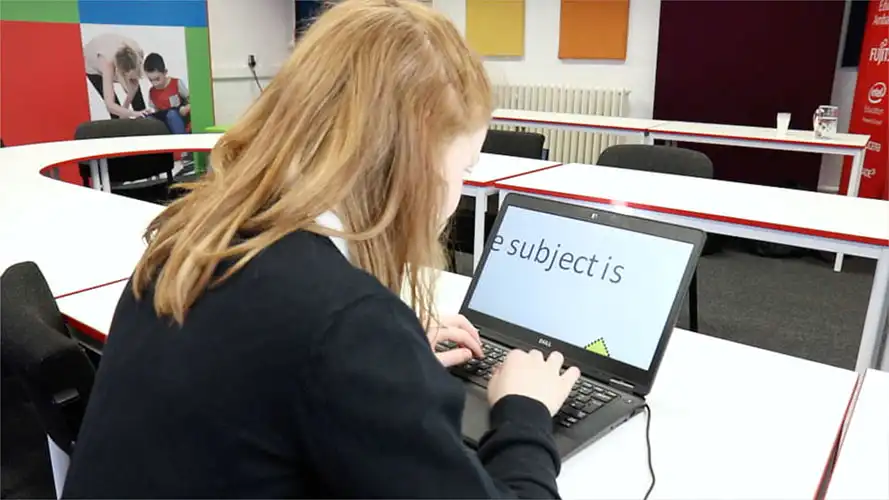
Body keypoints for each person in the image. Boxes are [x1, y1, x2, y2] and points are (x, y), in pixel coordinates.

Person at [62, 1, 580, 498]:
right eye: (464, 167)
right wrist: (524, 409)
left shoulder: (194, 236)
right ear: (414, 163)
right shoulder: (346, 325)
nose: (459, 190)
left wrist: (394, 366)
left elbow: (273, 369)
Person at [83, 33, 148, 119]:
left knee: (137, 99)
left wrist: (129, 99)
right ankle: (118, 123)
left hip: (110, 45)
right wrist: (133, 113)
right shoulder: (107, 64)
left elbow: (134, 86)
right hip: (93, 63)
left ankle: (143, 120)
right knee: (115, 110)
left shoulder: (137, 51)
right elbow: (110, 105)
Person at [143, 52, 191, 134]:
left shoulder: (176, 83)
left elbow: (190, 99)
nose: (155, 83)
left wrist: (186, 108)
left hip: (178, 115)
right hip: (163, 118)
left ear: (165, 72)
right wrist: (149, 112)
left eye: (157, 79)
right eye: (151, 80)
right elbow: (154, 109)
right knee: (148, 119)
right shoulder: (152, 92)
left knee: (172, 114)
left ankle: (182, 139)